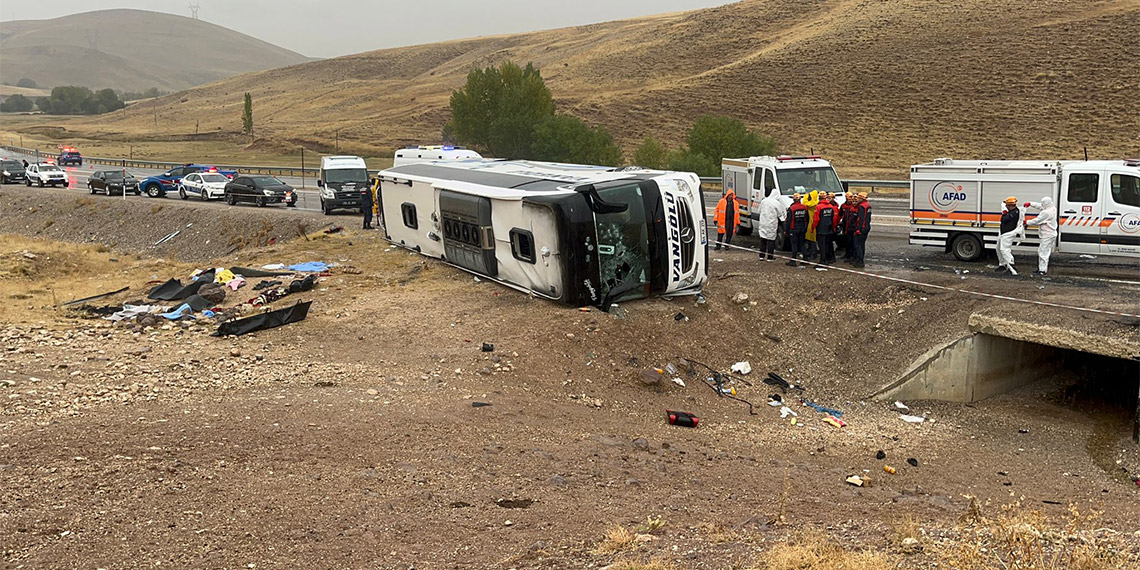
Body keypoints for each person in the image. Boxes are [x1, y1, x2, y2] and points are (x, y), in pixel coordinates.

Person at [1024, 196, 1057, 276]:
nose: (1042, 205)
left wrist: (1027, 222)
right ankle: (1042, 269)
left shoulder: (1046, 213)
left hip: (1047, 234)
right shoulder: (1052, 208)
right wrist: (1031, 204)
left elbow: (1037, 220)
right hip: (1051, 233)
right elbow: (1040, 206)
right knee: (1045, 252)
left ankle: (1042, 270)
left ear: (1046, 204)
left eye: (1043, 203)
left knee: (1043, 252)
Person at [755, 187, 786, 261]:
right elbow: (780, 214)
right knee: (771, 240)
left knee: (763, 239)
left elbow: (759, 210)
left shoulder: (764, 201)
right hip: (771, 223)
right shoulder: (776, 203)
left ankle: (761, 256)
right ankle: (770, 257)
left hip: (763, 222)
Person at [996, 197, 1024, 275]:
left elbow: (1003, 219)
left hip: (1008, 234)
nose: (1007, 207)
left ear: (1011, 206)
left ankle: (1011, 265)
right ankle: (1003, 264)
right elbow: (1003, 203)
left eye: (1008, 205)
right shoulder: (1012, 210)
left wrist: (1004, 212)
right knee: (998, 248)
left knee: (1004, 250)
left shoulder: (1014, 213)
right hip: (1003, 233)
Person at [814, 194, 840, 264]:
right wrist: (833, 226)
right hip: (829, 228)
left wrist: (813, 227)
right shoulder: (831, 206)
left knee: (822, 245)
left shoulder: (818, 207)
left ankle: (823, 260)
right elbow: (833, 218)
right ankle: (828, 258)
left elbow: (816, 219)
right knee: (828, 244)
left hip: (821, 228)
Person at [785, 193, 810, 266]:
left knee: (794, 245)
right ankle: (806, 258)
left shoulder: (792, 208)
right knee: (802, 244)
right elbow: (807, 219)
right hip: (802, 228)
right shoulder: (804, 208)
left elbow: (788, 221)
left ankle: (793, 260)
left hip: (794, 229)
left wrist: (786, 230)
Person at [851, 192, 872, 269]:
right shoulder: (868, 206)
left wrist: (858, 229)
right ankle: (860, 259)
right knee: (862, 244)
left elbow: (860, 219)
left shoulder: (861, 206)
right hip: (866, 227)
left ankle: (859, 261)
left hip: (861, 228)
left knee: (858, 244)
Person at [803, 189, 820, 260]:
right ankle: (812, 253)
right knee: (813, 239)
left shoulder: (811, 204)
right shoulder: (817, 202)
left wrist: (806, 195)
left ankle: (813, 253)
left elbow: (805, 203)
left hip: (812, 223)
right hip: (815, 223)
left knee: (811, 240)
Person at [839, 191, 857, 260]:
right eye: (848, 197)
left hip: (852, 226)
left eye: (851, 197)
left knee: (852, 242)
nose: (850, 199)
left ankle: (852, 255)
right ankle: (847, 254)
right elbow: (840, 215)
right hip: (845, 225)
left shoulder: (854, 206)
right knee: (846, 241)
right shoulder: (843, 205)